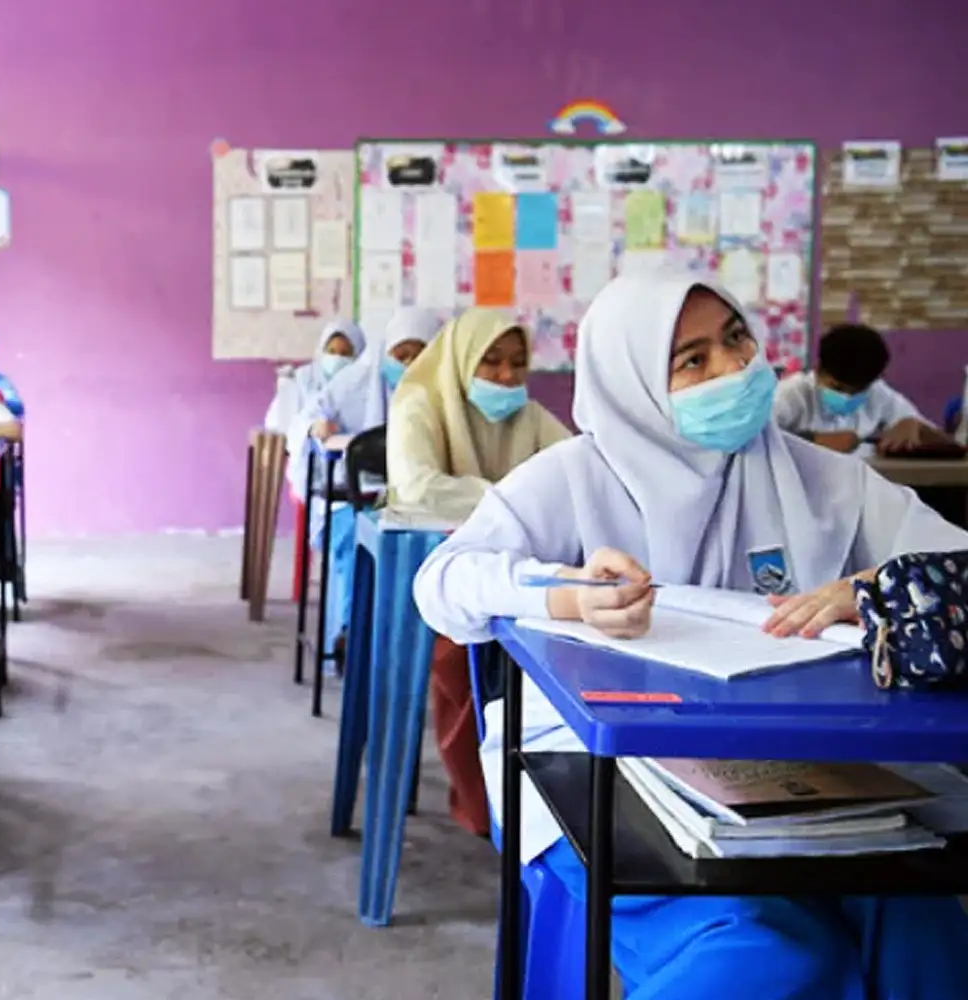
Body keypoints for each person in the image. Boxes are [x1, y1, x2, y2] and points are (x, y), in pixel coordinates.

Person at [414, 272, 968, 1000]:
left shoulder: (824, 480)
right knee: (773, 953)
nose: (735, 368)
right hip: (601, 774)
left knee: (923, 928)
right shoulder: (575, 476)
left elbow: (955, 564)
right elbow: (443, 582)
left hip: (800, 762)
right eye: (694, 361)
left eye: (737, 339)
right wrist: (567, 595)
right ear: (634, 382)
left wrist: (876, 589)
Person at [385, 309, 570, 836]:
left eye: (517, 363)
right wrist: (513, 502)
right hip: (434, 572)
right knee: (461, 660)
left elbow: (579, 473)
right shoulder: (420, 403)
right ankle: (483, 802)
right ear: (462, 360)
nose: (506, 377)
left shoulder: (529, 417)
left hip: (513, 571)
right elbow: (419, 488)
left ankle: (535, 802)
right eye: (491, 361)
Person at [289, 306, 438, 661]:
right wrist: (315, 427)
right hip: (348, 502)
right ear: (385, 353)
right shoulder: (353, 383)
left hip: (421, 506)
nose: (408, 365)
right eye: (401, 355)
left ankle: (408, 653)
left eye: (419, 356)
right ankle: (353, 638)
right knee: (358, 546)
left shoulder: (442, 392)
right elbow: (307, 417)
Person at [773, 322, 948, 455]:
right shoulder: (791, 394)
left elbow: (946, 442)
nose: (847, 397)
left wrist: (913, 425)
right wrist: (814, 440)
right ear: (818, 370)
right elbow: (758, 439)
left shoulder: (877, 392)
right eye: (837, 387)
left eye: (858, 390)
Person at [263, 318, 365, 434]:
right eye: (331, 351)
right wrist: (311, 427)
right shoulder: (303, 378)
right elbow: (278, 422)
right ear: (323, 351)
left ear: (357, 356)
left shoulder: (364, 385)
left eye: (345, 353)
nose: (337, 358)